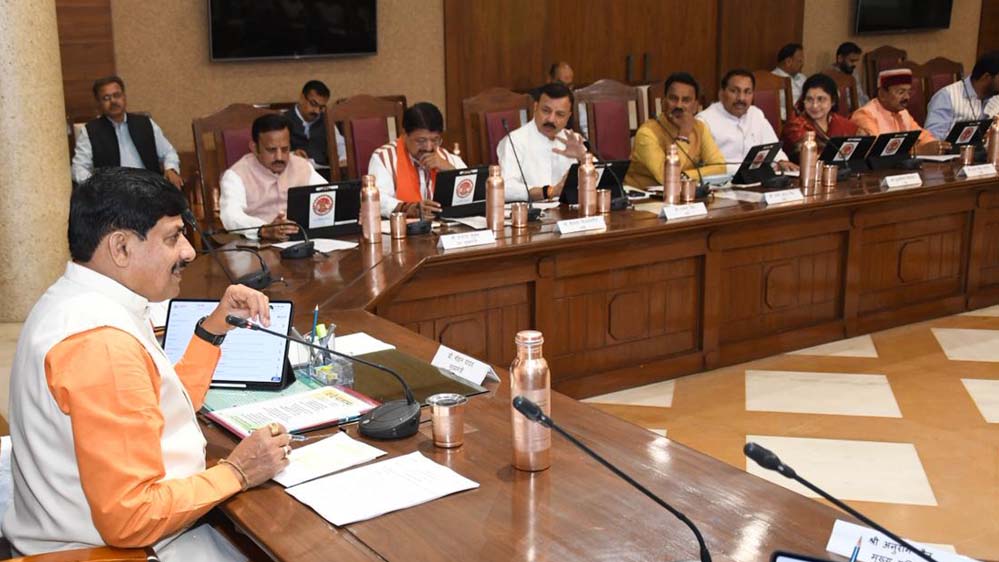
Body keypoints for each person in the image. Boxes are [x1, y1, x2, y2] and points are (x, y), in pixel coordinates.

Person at [3, 167, 290, 561]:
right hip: (117, 551)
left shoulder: (74, 301)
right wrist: (238, 471)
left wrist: (212, 330)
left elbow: (157, 410)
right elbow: (131, 518)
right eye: (172, 237)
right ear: (121, 248)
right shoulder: (101, 345)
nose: (189, 251)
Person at [219, 113, 325, 240]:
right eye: (271, 150)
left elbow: (328, 194)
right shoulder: (236, 175)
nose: (279, 157)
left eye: (285, 149)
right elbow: (230, 216)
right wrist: (263, 229)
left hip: (303, 240)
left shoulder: (302, 166)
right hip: (258, 245)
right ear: (254, 148)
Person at [72, 76, 183, 189]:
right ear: (99, 103)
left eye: (117, 95)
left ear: (124, 97)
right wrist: (96, 185)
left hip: (150, 189)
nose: (113, 101)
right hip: (114, 193)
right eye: (106, 98)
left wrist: (171, 169)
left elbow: (169, 152)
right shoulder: (91, 131)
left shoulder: (145, 123)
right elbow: (78, 168)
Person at [625, 73, 727, 188]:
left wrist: (684, 176)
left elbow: (720, 167)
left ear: (695, 107)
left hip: (684, 192)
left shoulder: (700, 128)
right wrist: (683, 135)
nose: (679, 105)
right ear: (663, 102)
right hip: (643, 195)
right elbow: (666, 178)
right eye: (673, 98)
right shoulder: (647, 133)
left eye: (686, 100)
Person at [368, 102, 466, 219]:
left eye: (435, 140)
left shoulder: (446, 157)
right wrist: (408, 208)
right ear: (404, 134)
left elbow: (471, 190)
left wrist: (450, 170)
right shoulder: (384, 158)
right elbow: (376, 199)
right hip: (402, 228)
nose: (428, 147)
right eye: (421, 141)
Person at [496, 82, 588, 203]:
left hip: (569, 211)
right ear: (535, 107)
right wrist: (549, 191)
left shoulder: (573, 140)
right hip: (532, 212)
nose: (551, 119)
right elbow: (505, 189)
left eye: (560, 114)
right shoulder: (514, 141)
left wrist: (583, 159)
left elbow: (601, 179)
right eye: (546, 111)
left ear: (568, 117)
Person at [697, 69, 796, 174]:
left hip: (758, 178)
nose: (741, 98)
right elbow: (705, 167)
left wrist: (781, 161)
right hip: (723, 180)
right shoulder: (704, 121)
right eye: (734, 91)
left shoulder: (756, 114)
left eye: (747, 92)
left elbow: (773, 148)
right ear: (721, 94)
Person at [851, 69, 950, 155]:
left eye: (908, 92)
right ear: (882, 94)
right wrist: (918, 151)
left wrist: (936, 145)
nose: (907, 97)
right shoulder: (865, 115)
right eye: (901, 92)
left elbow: (922, 136)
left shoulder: (903, 113)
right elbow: (878, 151)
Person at [780, 73, 860, 163]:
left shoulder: (843, 124)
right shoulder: (794, 127)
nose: (815, 105)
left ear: (833, 101)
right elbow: (807, 158)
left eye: (821, 99)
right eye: (809, 99)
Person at [924, 51, 999, 140]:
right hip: (953, 149)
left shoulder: (995, 95)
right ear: (986, 77)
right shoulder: (946, 97)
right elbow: (932, 139)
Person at [284, 79, 347, 168]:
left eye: (321, 107)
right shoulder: (283, 120)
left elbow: (340, 145)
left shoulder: (326, 120)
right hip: (295, 172)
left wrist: (343, 159)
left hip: (324, 172)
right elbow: (276, 151)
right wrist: (292, 155)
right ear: (302, 98)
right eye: (313, 104)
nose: (317, 111)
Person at [772, 43, 806, 119]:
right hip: (787, 120)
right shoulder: (772, 80)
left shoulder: (802, 77)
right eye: (799, 61)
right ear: (788, 61)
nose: (802, 64)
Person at [828, 42, 869, 107]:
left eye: (856, 61)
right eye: (852, 61)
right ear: (840, 58)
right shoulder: (830, 75)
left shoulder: (853, 71)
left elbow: (860, 94)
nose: (854, 64)